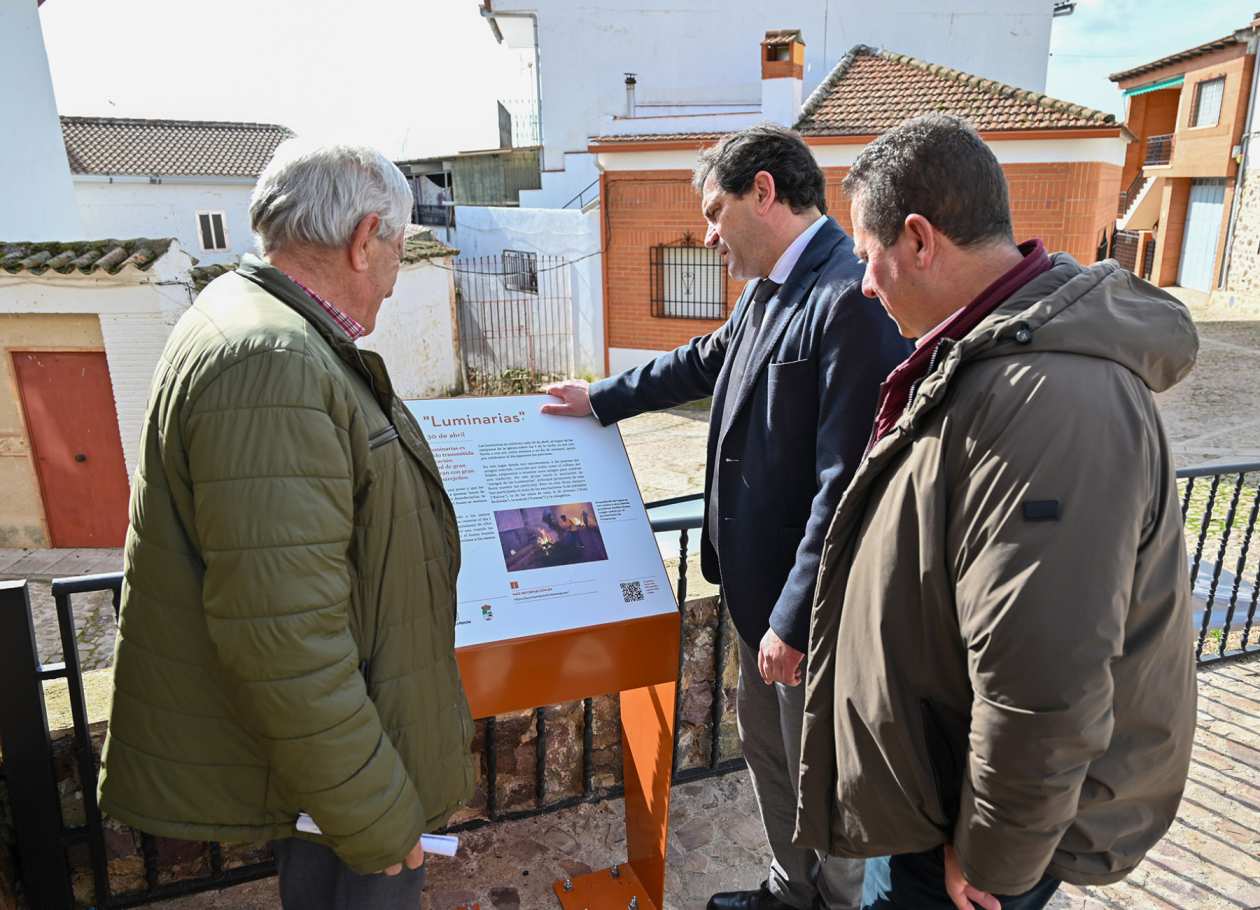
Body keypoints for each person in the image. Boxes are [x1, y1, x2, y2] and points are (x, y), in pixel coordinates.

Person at [794, 113, 1198, 910]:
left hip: (968, 842)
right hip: (937, 793)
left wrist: (994, 858)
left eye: (869, 256)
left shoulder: (1048, 400)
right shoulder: (990, 357)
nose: (865, 283)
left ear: (919, 240)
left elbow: (1045, 681)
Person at [97, 140, 475, 909]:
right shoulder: (273, 360)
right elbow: (286, 637)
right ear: (363, 240)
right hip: (352, 783)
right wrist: (375, 812)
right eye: (398, 251)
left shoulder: (257, 326)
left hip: (337, 766)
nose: (395, 278)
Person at [544, 124, 910, 910]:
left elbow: (845, 484)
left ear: (764, 192)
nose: (708, 235)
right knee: (770, 758)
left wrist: (794, 619)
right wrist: (600, 398)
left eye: (715, 212)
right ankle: (790, 890)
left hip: (806, 617)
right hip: (755, 598)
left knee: (824, 778)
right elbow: (704, 360)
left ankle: (834, 903)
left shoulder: (846, 297)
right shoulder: (769, 291)